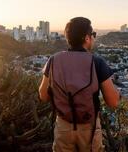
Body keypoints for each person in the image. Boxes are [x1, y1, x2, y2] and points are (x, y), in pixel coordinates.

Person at [39, 17, 120, 152]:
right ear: (87, 38)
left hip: (63, 127)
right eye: (93, 35)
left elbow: (43, 96)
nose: (93, 38)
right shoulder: (97, 62)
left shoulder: (53, 61)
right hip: (89, 129)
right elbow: (113, 102)